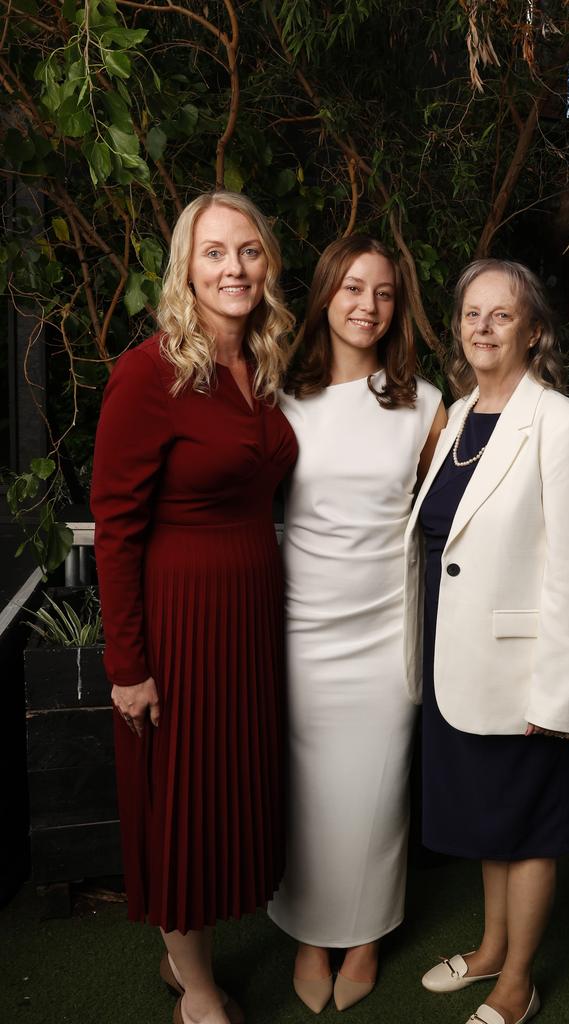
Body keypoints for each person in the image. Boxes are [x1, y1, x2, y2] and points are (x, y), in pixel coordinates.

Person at [91, 191, 297, 1024]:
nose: (233, 268)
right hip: (179, 619)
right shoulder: (150, 372)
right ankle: (196, 983)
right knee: (179, 796)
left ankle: (191, 961)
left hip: (248, 617)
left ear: (267, 265)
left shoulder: (267, 366)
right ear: (186, 267)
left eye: (248, 251)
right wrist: (129, 665)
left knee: (221, 793)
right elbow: (115, 526)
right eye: (214, 252)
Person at [403, 259, 569, 1024]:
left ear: (535, 331)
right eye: (471, 314)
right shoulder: (457, 417)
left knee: (526, 830)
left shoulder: (564, 424)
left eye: (502, 315)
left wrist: (559, 694)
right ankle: (490, 948)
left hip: (528, 673)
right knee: (493, 819)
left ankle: (516, 981)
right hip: (458, 663)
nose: (483, 327)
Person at [267, 235, 446, 1013]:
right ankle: (311, 932)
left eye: (382, 292)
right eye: (351, 288)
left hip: (385, 626)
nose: (366, 305)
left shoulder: (426, 404)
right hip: (300, 621)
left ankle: (367, 934)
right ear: (325, 296)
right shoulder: (280, 395)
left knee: (376, 790)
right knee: (308, 787)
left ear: (397, 306)